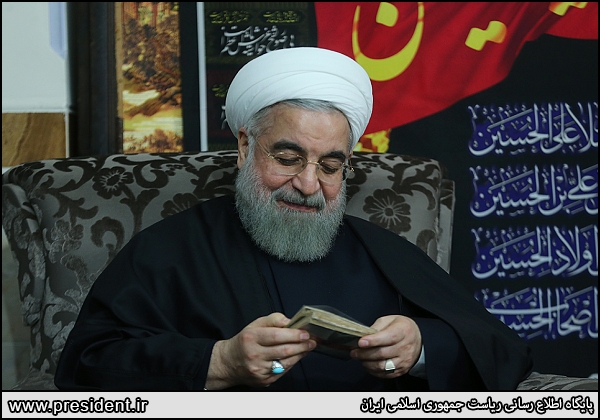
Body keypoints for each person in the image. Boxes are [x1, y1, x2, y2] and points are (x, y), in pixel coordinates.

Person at [54, 47, 533, 391]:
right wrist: (219, 361)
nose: (308, 183)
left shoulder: (379, 250)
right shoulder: (169, 250)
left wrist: (422, 346)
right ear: (245, 147)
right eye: (287, 158)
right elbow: (86, 365)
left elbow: (500, 348)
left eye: (330, 166)